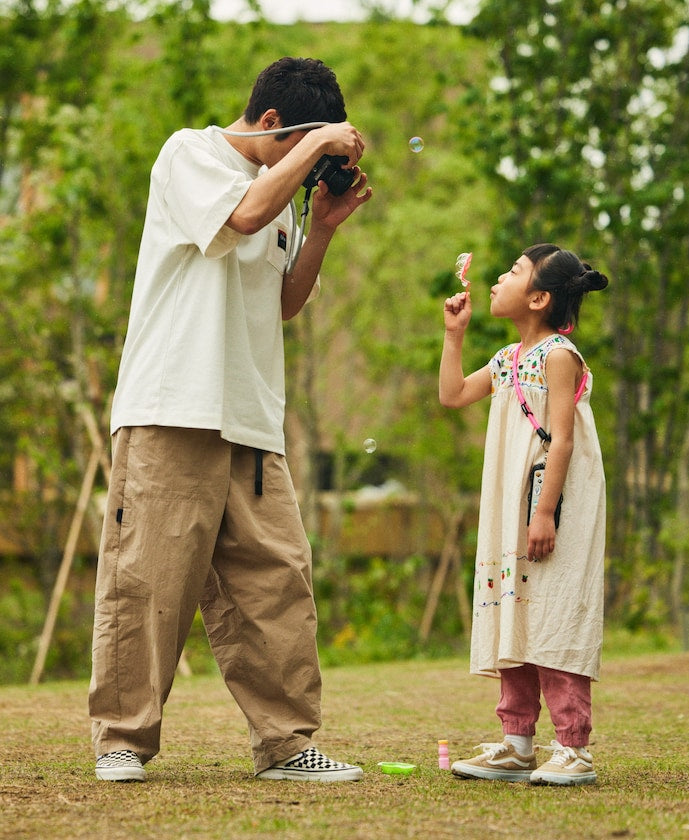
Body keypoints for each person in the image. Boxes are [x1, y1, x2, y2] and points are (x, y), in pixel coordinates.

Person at [89, 57, 372, 783]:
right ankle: (123, 738)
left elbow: (281, 304)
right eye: (301, 146)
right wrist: (317, 147)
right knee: (147, 583)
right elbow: (239, 216)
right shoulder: (190, 153)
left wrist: (323, 228)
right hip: (172, 407)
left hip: (251, 419)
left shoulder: (280, 194)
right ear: (273, 123)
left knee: (277, 585)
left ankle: (286, 744)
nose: (309, 167)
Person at [439, 244, 608, 786]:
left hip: (553, 504)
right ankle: (516, 743)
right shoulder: (508, 358)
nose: (496, 278)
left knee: (553, 611)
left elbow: (560, 441)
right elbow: (452, 395)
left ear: (538, 298)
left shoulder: (560, 354)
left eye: (511, 271)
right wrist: (453, 334)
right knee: (515, 607)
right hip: (513, 505)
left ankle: (572, 747)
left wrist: (545, 512)